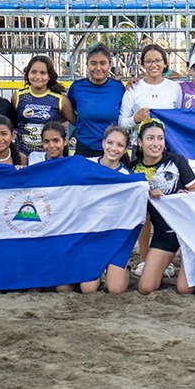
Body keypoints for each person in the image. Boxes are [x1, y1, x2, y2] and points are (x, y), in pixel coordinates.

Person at [130, 118, 195, 295]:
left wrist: (172, 197)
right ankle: (162, 265)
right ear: (140, 142)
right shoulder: (134, 168)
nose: (156, 143)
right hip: (164, 234)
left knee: (184, 289)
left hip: (188, 232)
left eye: (160, 138)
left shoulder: (177, 161)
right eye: (150, 138)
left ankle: (192, 261)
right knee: (145, 287)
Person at [79, 125, 134, 295]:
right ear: (103, 143)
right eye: (110, 142)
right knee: (88, 289)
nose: (113, 148)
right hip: (90, 235)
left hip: (115, 237)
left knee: (115, 289)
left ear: (125, 149)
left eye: (119, 145)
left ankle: (124, 266)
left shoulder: (129, 178)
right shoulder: (85, 165)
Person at [67, 43, 126, 157]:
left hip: (112, 151)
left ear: (110, 64)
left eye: (103, 63)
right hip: (84, 149)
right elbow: (69, 111)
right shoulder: (77, 87)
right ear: (87, 65)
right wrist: (82, 125)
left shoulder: (118, 88)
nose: (98, 68)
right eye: (93, 63)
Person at [119, 44, 183, 143]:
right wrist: (135, 119)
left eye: (157, 61)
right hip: (140, 147)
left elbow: (177, 118)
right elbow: (121, 123)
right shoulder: (133, 88)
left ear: (165, 63)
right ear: (143, 65)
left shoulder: (175, 88)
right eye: (148, 61)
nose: (153, 65)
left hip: (168, 144)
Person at [12, 55, 74, 156]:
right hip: (23, 155)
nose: (37, 77)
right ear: (27, 74)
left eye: (43, 73)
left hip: (48, 156)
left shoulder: (60, 99)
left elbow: (77, 123)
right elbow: (12, 124)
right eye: (33, 72)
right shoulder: (18, 97)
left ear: (49, 76)